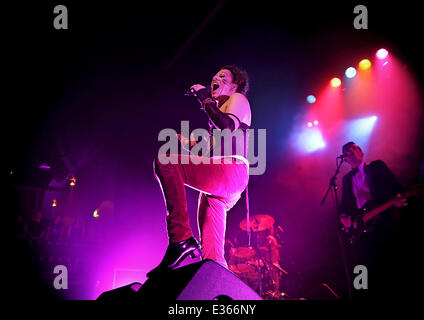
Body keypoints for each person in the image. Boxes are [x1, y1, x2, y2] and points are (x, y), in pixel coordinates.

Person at [148, 65, 251, 277]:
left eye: (223, 77)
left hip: (232, 171)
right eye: (215, 75)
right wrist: (190, 143)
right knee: (212, 257)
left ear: (235, 85)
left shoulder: (238, 99)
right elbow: (210, 152)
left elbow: (226, 127)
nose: (216, 77)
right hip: (218, 187)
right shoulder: (219, 114)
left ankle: (181, 238)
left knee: (166, 161)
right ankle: (218, 288)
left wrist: (205, 98)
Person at [338, 141, 406, 300]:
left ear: (361, 153)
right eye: (347, 151)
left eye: (354, 148)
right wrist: (343, 217)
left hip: (384, 223)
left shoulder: (377, 167)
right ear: (345, 159)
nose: (351, 151)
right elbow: (344, 206)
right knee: (364, 272)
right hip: (363, 230)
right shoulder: (347, 179)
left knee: (387, 266)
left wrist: (400, 199)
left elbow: (396, 187)